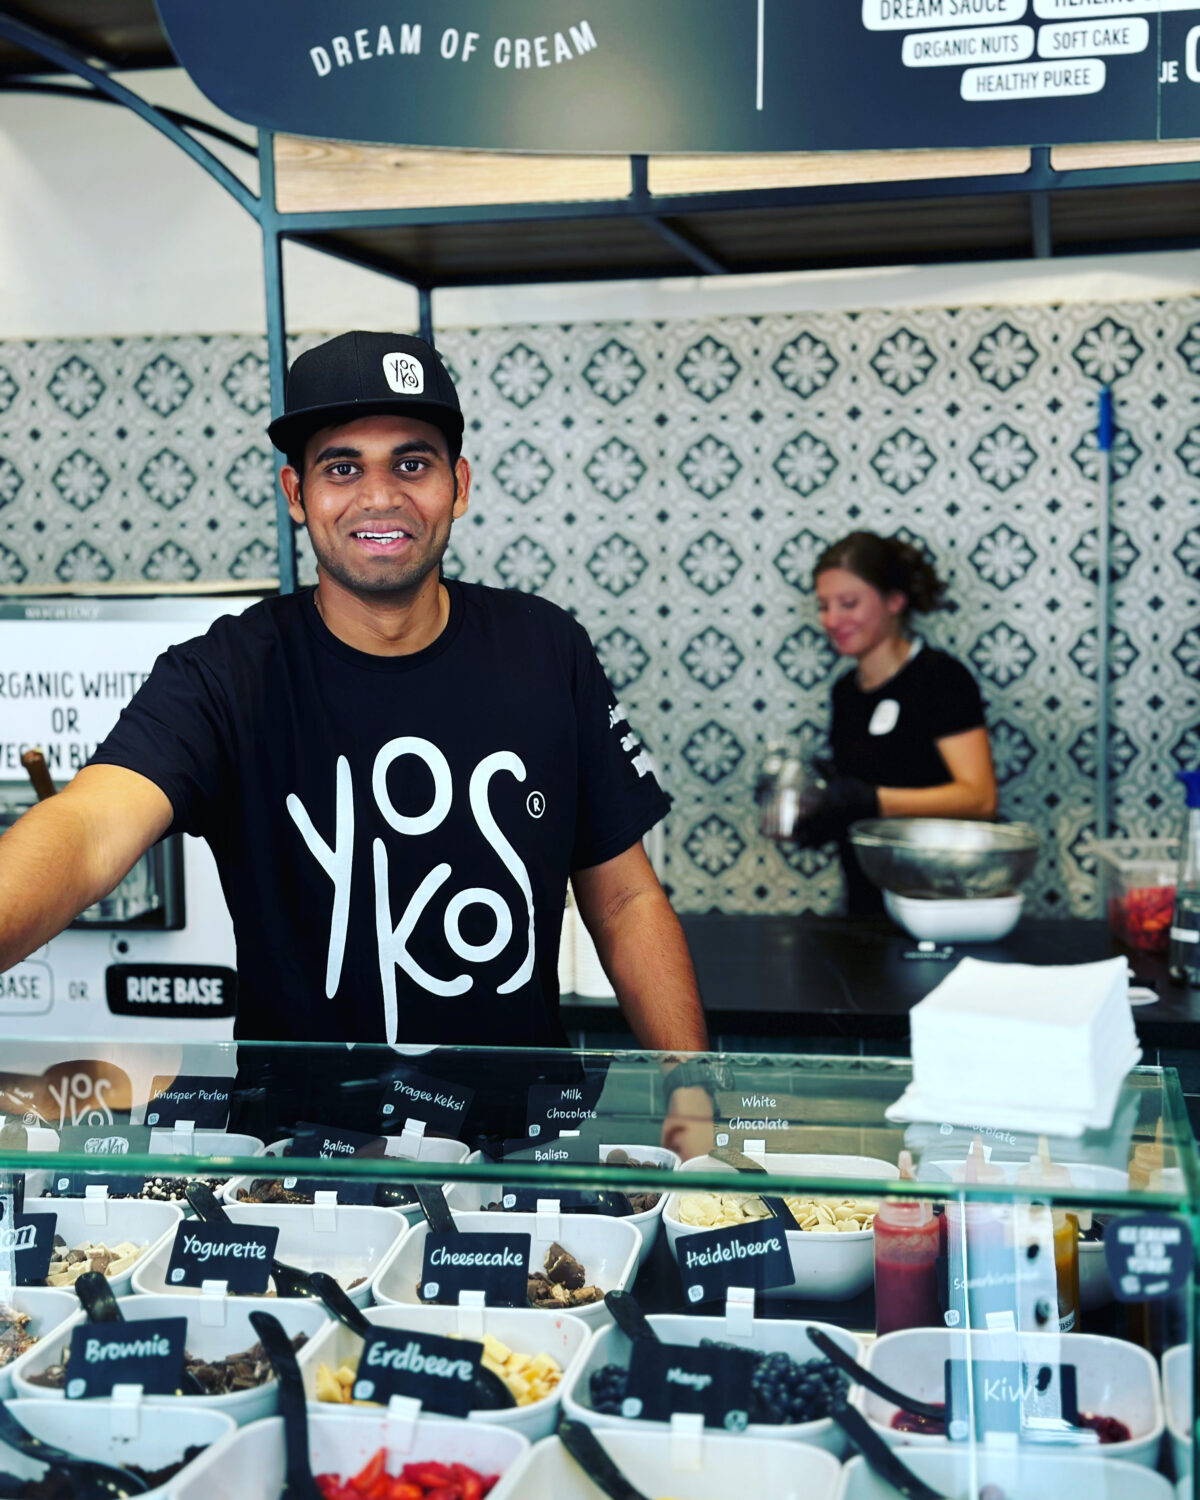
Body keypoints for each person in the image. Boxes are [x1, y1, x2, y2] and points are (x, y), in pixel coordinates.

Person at [0, 330, 714, 1153]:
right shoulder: (227, 673)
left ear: (458, 485)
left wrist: (691, 1086)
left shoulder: (546, 650)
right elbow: (88, 828)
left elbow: (624, 901)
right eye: (342, 468)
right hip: (296, 1161)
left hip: (523, 1148)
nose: (380, 496)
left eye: (412, 464)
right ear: (296, 493)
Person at [794, 530, 996, 914]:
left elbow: (980, 798)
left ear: (894, 601)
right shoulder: (845, 692)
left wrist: (871, 800)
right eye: (823, 606)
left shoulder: (940, 678)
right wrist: (821, 809)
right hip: (864, 903)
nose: (831, 620)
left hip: (936, 902)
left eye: (848, 604)